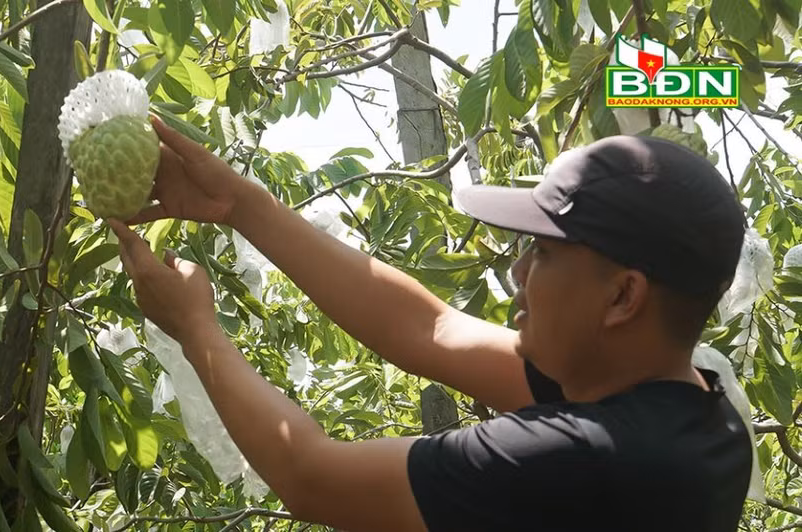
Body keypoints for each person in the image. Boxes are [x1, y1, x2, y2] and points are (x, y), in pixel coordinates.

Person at [107, 117, 753, 531]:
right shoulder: (702, 416)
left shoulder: (577, 459)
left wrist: (195, 328)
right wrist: (240, 205)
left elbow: (310, 476)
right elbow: (431, 330)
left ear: (623, 297)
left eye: (544, 253)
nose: (518, 272)